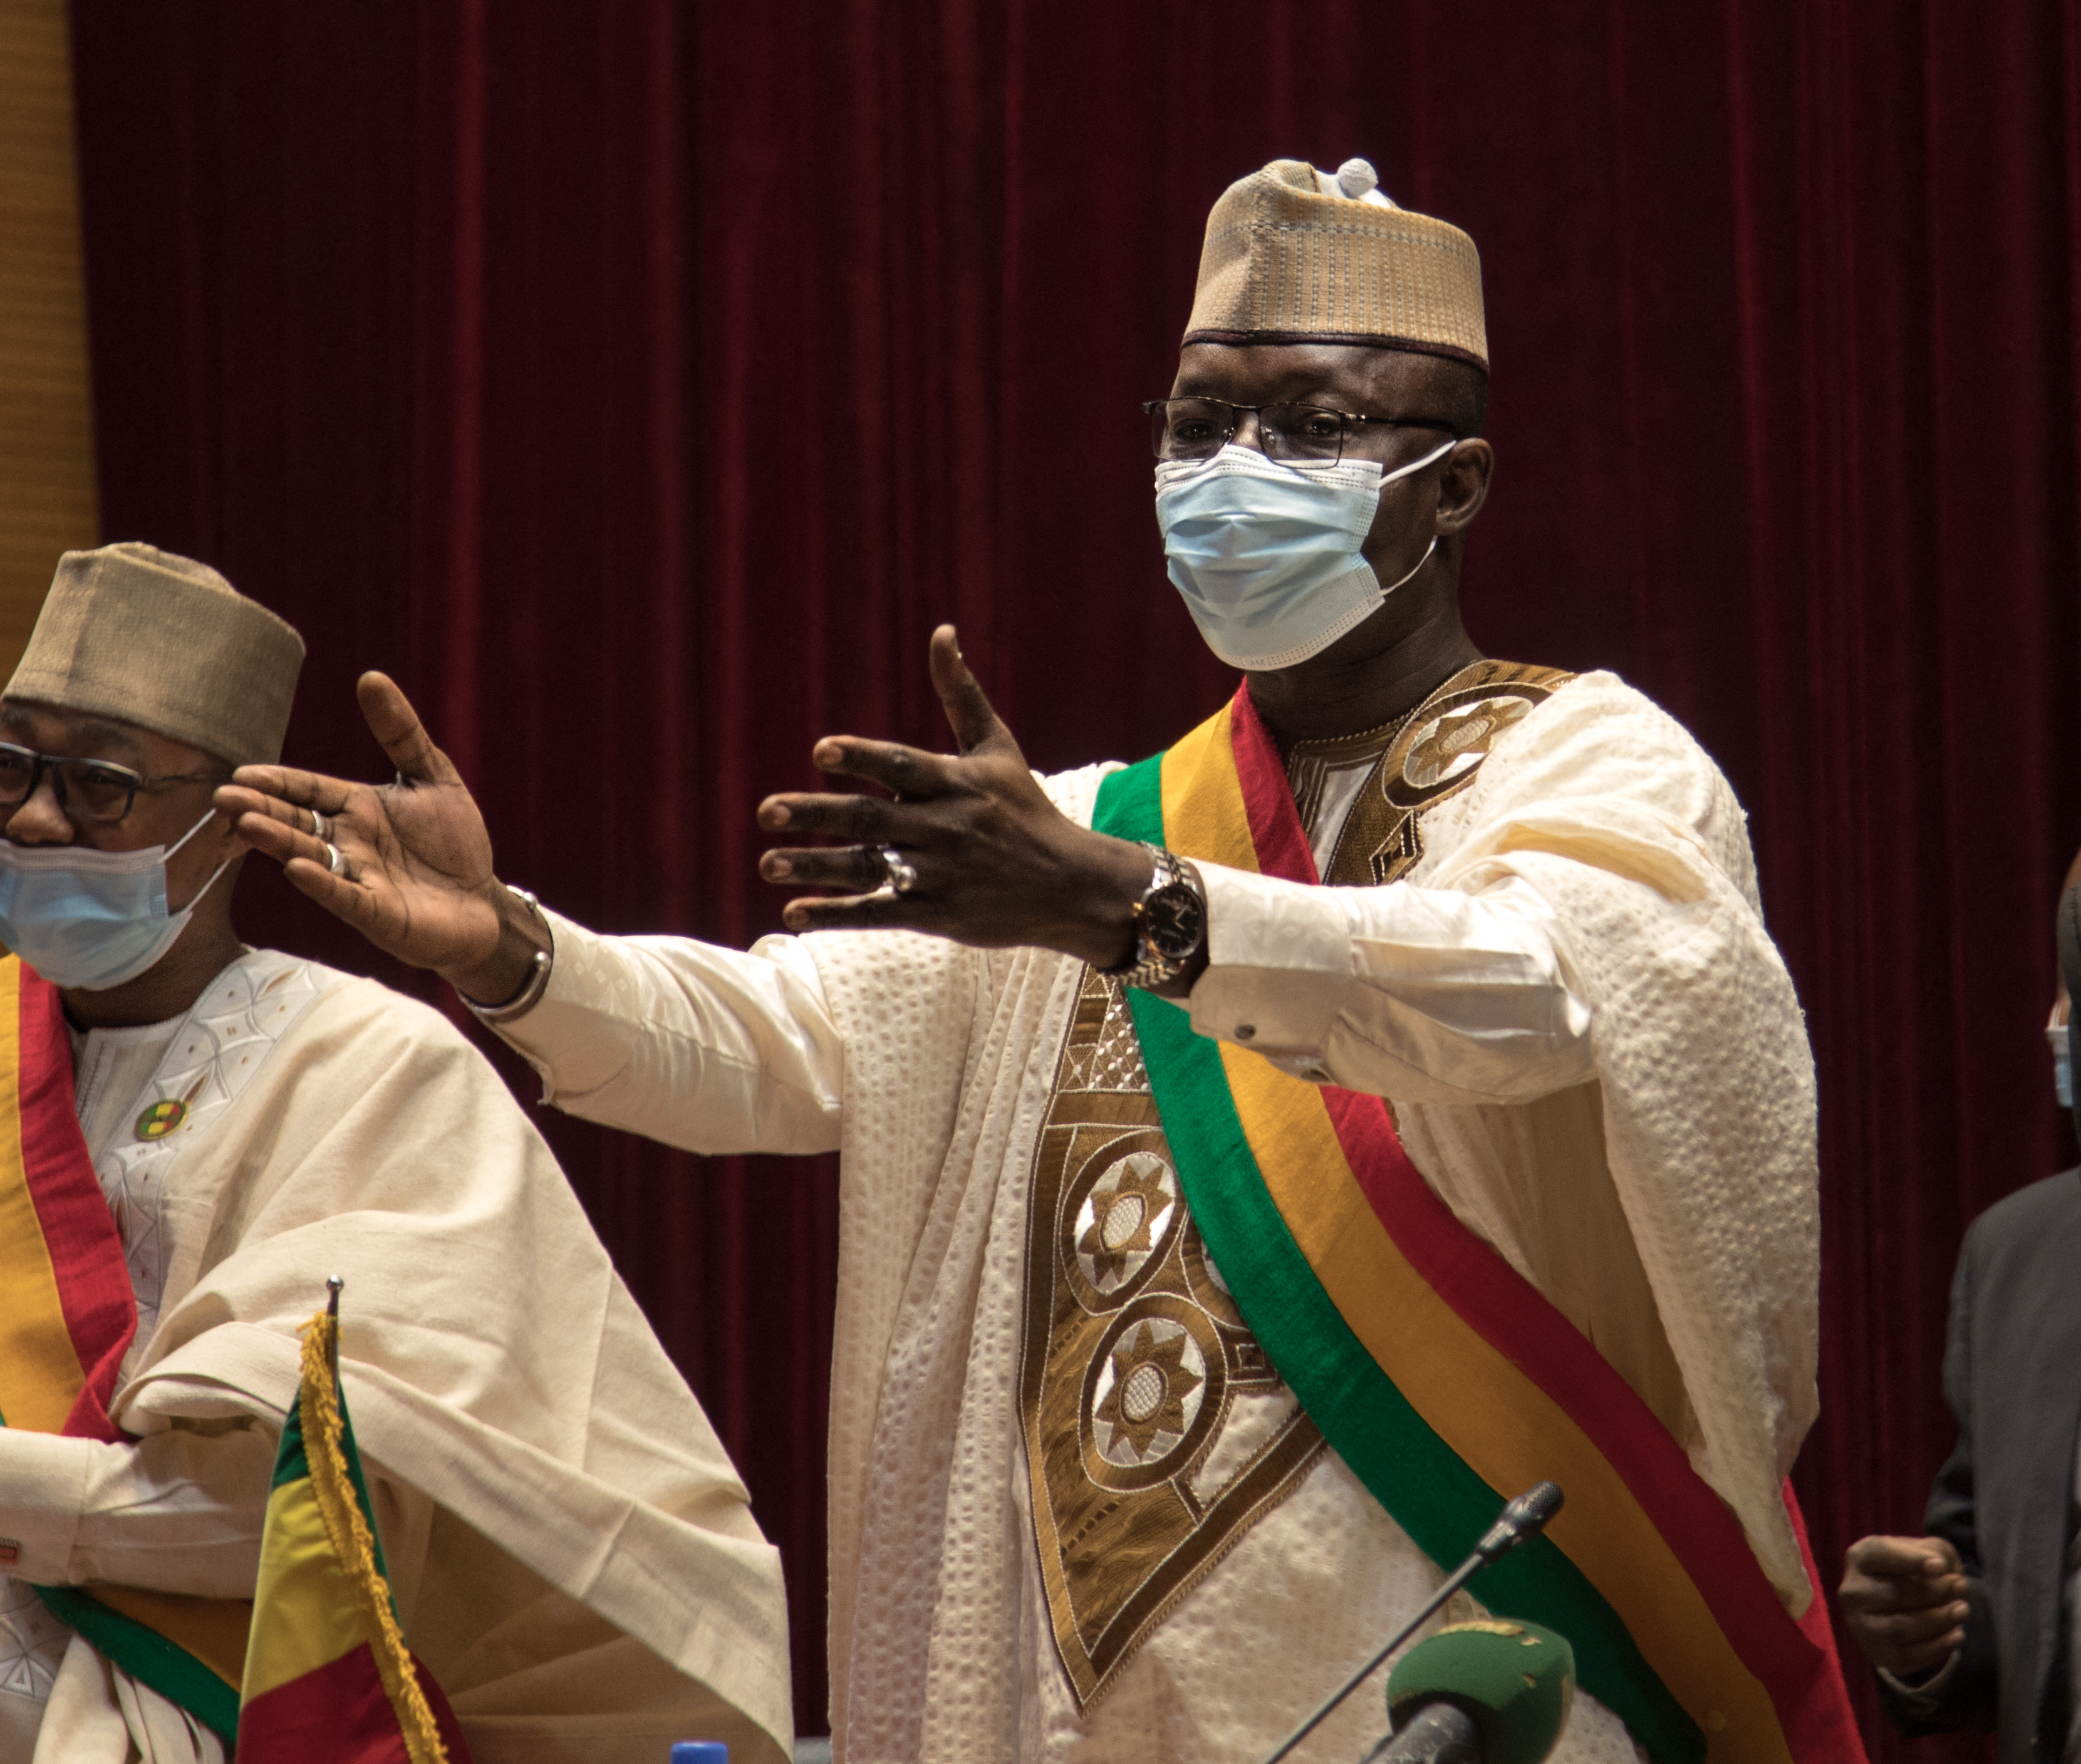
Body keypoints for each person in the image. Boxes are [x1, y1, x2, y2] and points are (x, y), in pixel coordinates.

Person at [215, 160, 1863, 1761]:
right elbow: (773, 1043)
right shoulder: (1082, 829)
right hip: (1085, 1698)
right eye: (1194, 422)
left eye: (1304, 425)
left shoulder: (1587, 764)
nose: (1230, 467)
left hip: (1464, 1674)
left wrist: (1135, 910)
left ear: (1454, 484)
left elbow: (1538, 990)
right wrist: (507, 947)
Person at [0, 543, 793, 1764]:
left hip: (214, 1717)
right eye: (8, 764)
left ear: (232, 819)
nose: (30, 813)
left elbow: (305, 1511)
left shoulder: (374, 1072)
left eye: (98, 784)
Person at [1837, 854, 2081, 1764]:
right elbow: (2010, 1606)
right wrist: (1924, 1632)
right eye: (2066, 982)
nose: (2056, 1021)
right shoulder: (2013, 1257)